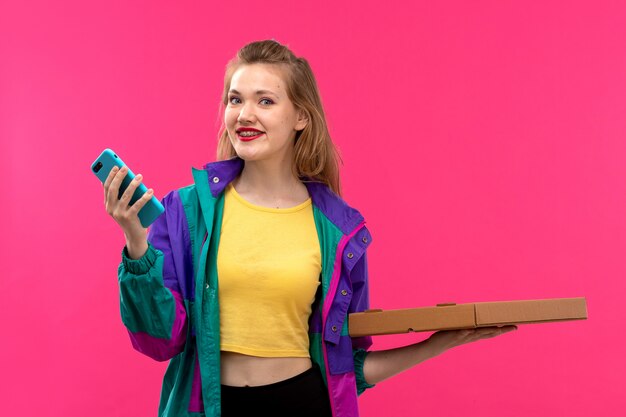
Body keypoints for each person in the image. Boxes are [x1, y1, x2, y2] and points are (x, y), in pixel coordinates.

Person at [103, 39, 517, 417]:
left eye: (265, 101)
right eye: (235, 99)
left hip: (302, 403)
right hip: (208, 406)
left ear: (301, 116)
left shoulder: (339, 232)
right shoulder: (185, 211)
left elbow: (347, 370)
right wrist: (136, 243)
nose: (245, 114)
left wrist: (437, 344)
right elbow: (159, 341)